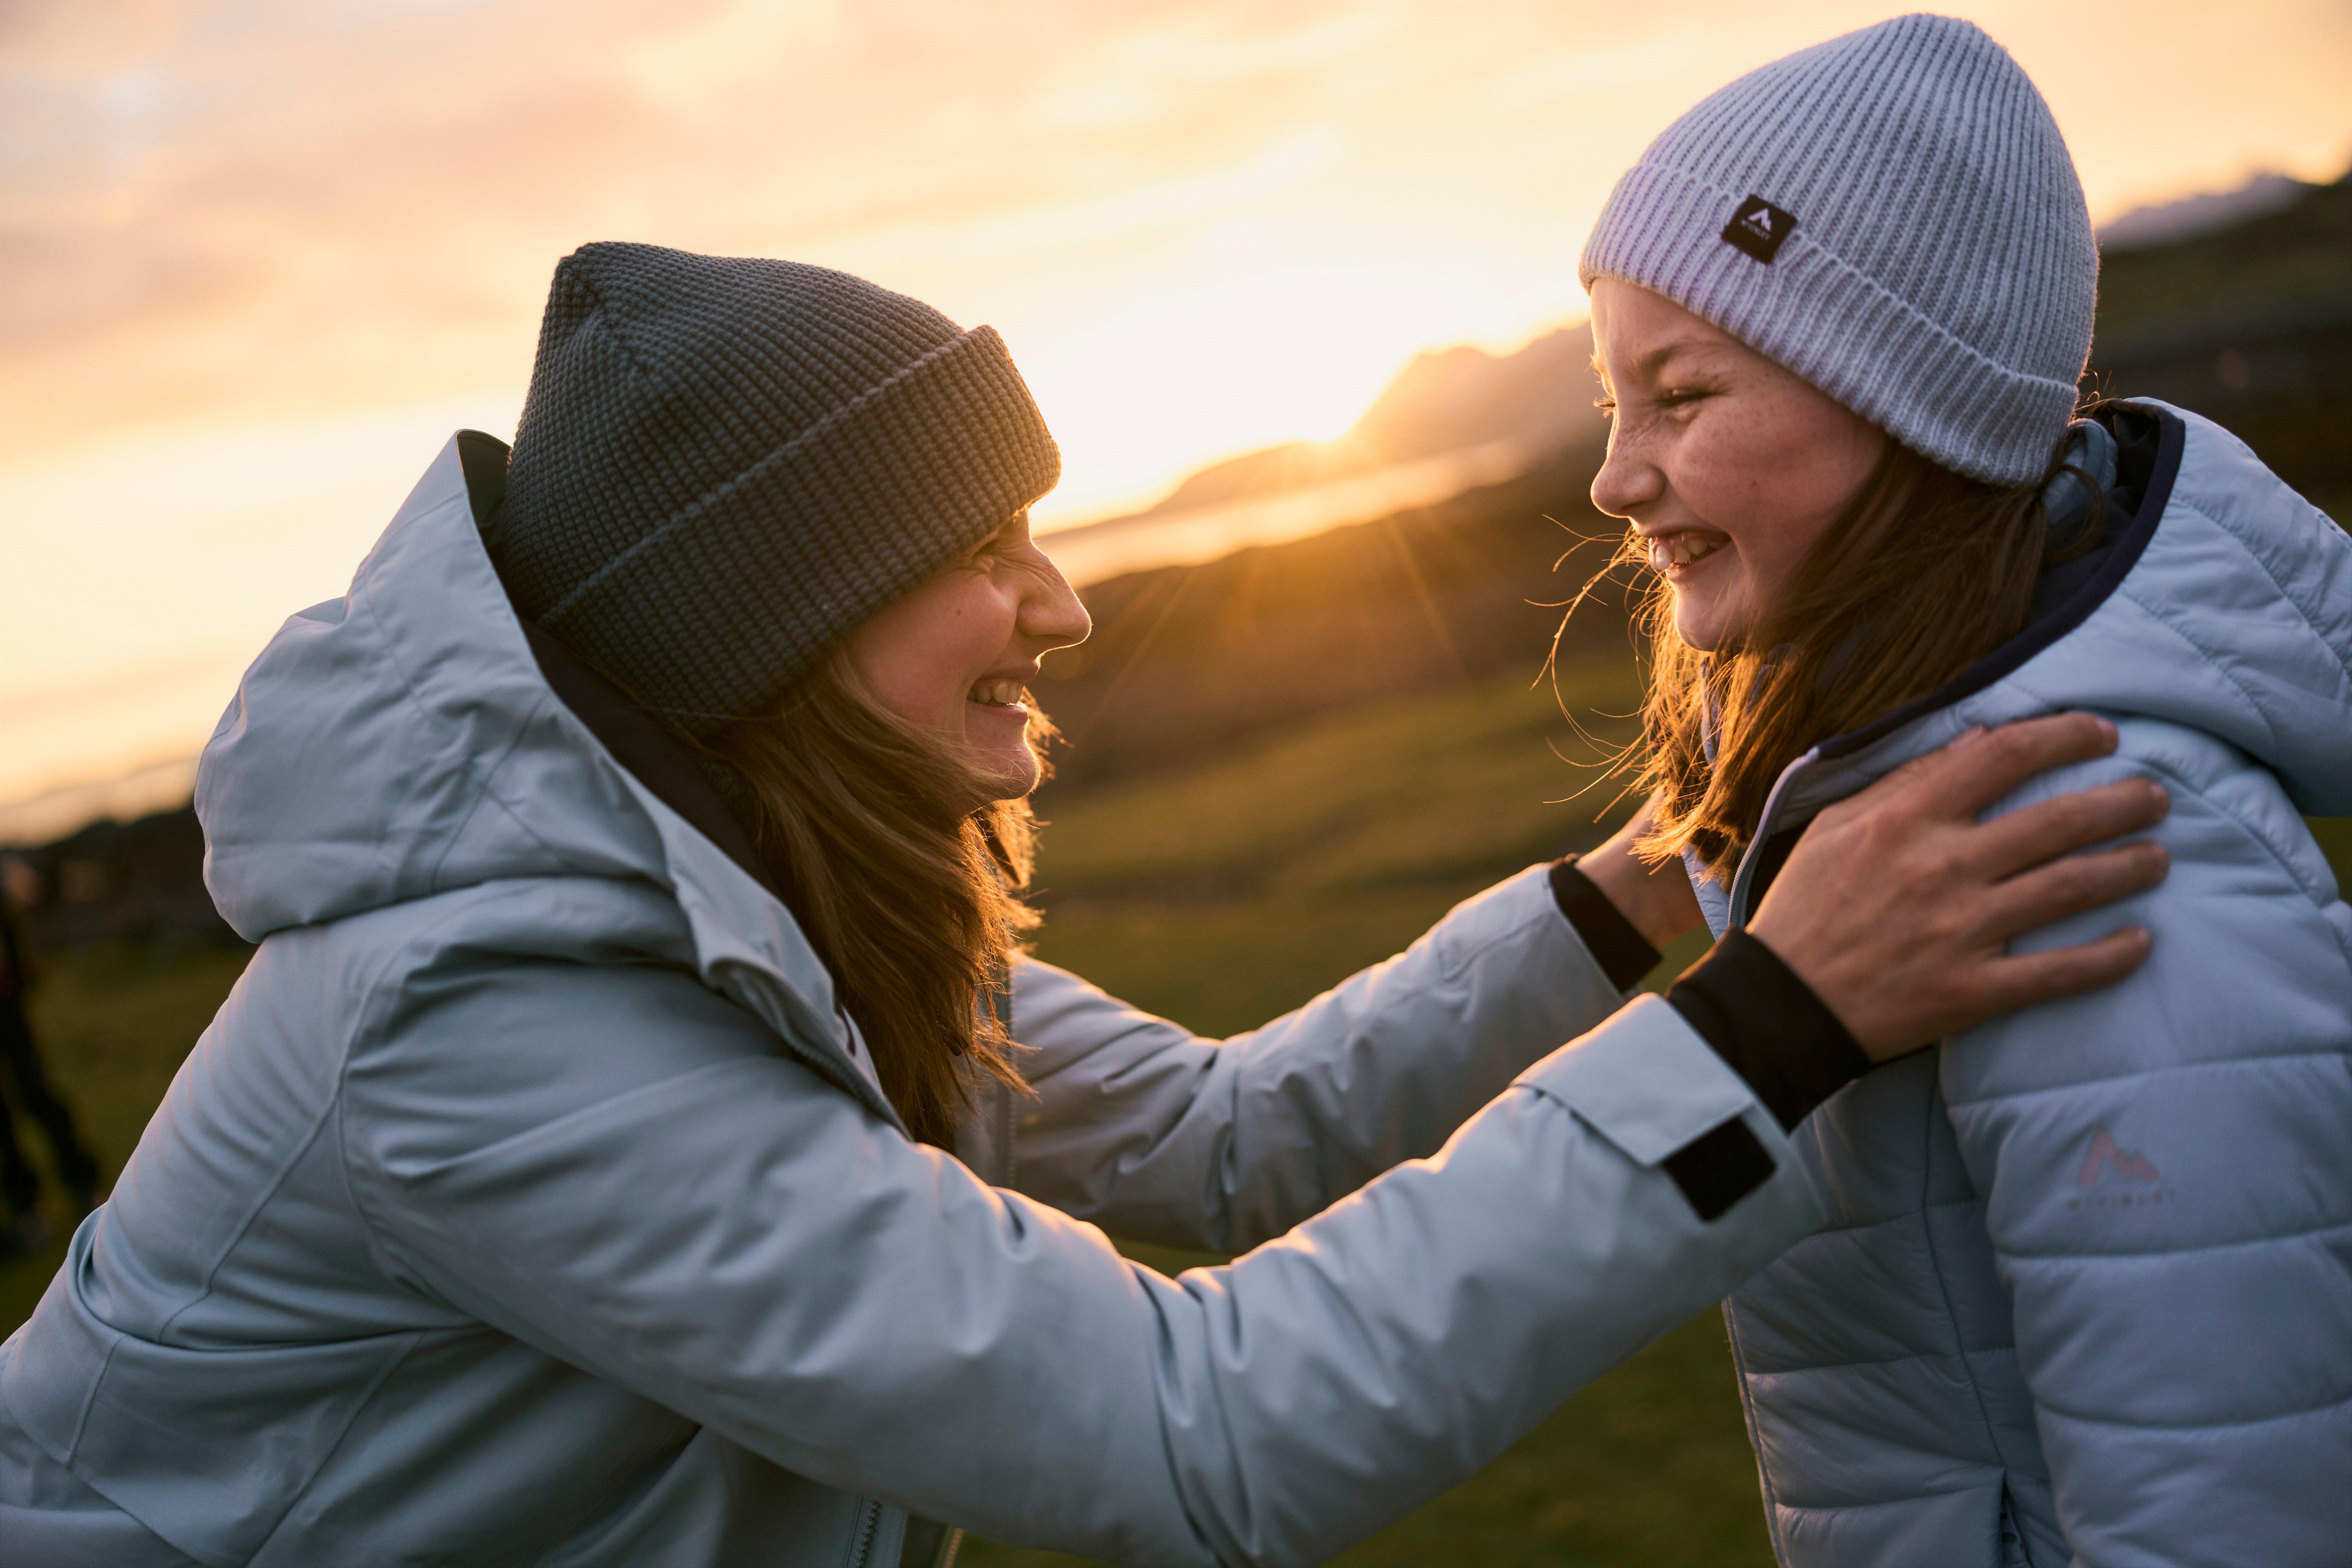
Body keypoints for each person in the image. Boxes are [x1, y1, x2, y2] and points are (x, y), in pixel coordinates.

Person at [0, 242, 2168, 1568]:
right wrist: (1771, 1024)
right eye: (985, 544)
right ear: (781, 617)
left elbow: (1217, 1138)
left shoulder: (738, 903)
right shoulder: (485, 1032)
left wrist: (1635, 899)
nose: (1066, 600)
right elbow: (1192, 1436)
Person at [1577, 15, 2352, 1567]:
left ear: (1902, 397)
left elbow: (2229, 1504)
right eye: (1614, 399)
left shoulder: (2093, 845)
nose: (1611, 476)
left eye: (1677, 394)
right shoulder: (1869, 779)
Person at [0, 895, 102, 1256]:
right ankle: (27, 1209)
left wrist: (16, 970)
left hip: (5, 1004)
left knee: (36, 1092)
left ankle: (84, 1185)